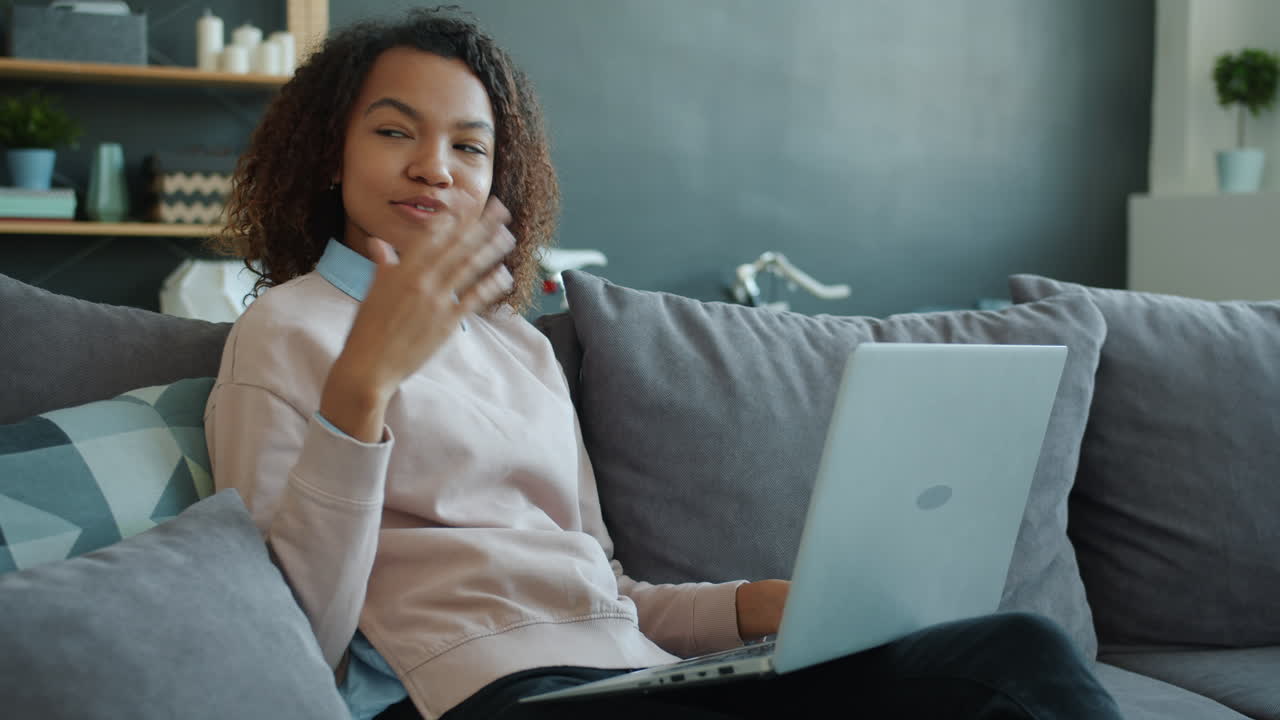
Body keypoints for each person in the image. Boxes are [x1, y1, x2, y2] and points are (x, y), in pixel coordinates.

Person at [205, 7, 1123, 720]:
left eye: (469, 146)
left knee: (1015, 654)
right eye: (396, 132)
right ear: (333, 153)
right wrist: (362, 390)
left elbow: (607, 594)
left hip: (625, 677)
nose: (435, 168)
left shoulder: (520, 347)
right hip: (481, 696)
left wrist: (760, 607)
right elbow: (296, 635)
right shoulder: (286, 333)